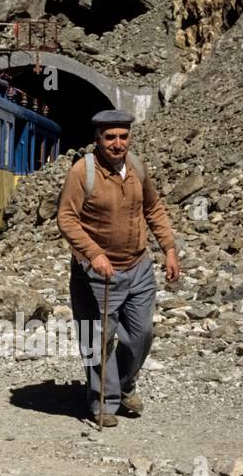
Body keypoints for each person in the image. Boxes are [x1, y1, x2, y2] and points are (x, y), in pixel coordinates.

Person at [56, 109, 180, 428]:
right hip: (97, 271)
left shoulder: (137, 168)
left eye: (123, 136)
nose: (117, 143)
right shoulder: (82, 172)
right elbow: (67, 219)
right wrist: (94, 254)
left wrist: (169, 248)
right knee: (99, 337)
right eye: (110, 137)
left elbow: (153, 208)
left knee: (141, 335)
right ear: (97, 139)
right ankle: (103, 400)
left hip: (138, 265)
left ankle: (123, 386)